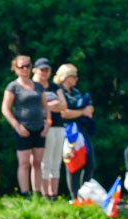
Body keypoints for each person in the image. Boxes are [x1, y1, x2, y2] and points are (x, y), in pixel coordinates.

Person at [2, 54, 50, 196]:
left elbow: (45, 106)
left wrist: (48, 123)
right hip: (23, 128)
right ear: (15, 68)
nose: (25, 69)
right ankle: (25, 192)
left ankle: (37, 192)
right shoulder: (13, 86)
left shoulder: (38, 86)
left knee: (38, 162)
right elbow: (5, 109)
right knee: (24, 163)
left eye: (27, 66)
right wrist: (17, 126)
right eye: (21, 66)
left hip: (39, 127)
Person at [54, 63, 96, 200]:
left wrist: (85, 110)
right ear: (66, 77)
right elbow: (64, 113)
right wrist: (82, 112)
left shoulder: (76, 92)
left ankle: (85, 194)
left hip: (82, 130)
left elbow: (89, 108)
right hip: (69, 132)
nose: (76, 79)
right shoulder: (58, 91)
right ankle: (75, 197)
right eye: (74, 76)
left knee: (90, 163)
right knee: (73, 164)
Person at [32, 58, 67, 198]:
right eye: (42, 70)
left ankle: (54, 193)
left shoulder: (54, 87)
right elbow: (36, 107)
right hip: (44, 127)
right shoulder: (33, 86)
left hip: (59, 126)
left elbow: (63, 105)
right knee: (45, 161)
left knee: (56, 161)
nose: (45, 72)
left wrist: (47, 106)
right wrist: (52, 105)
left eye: (47, 70)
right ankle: (45, 192)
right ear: (35, 70)